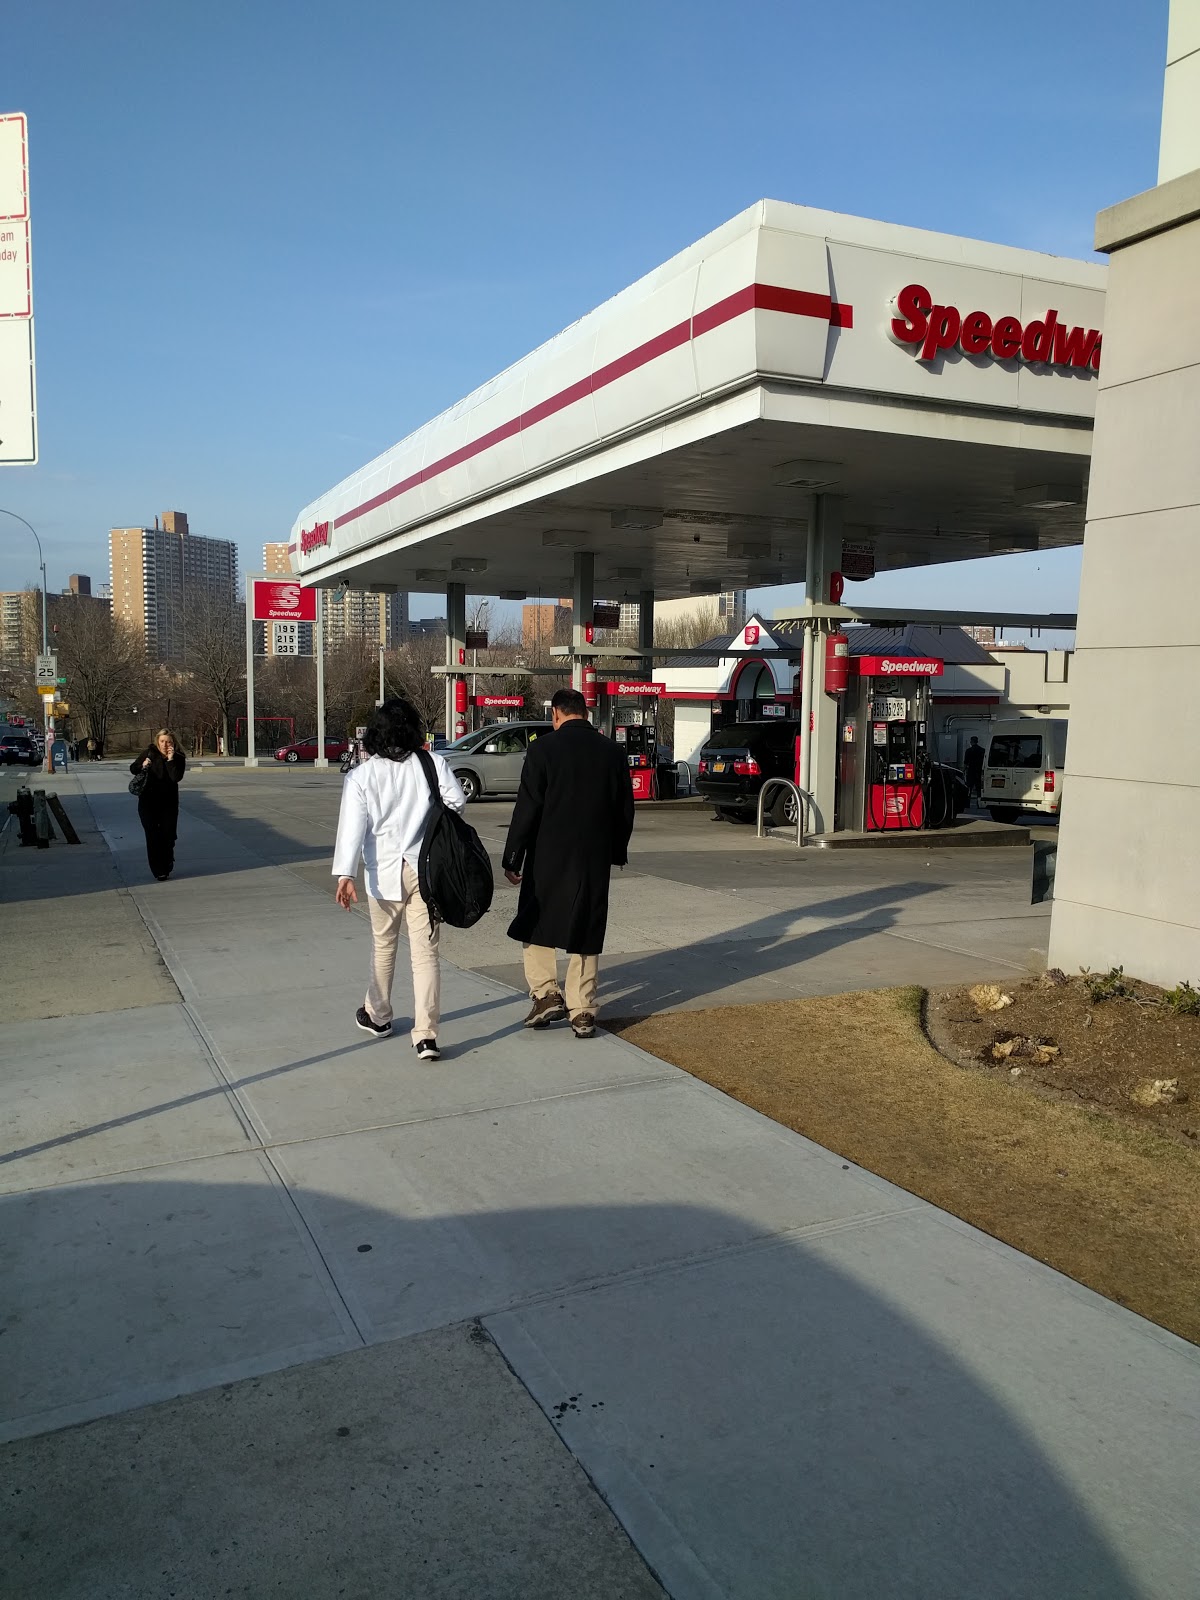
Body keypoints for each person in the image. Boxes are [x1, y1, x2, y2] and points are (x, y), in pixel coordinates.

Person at [332, 697, 466, 1061]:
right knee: (425, 954)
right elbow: (456, 803)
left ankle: (379, 1015)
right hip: (425, 870)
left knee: (384, 945)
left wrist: (346, 874)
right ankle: (426, 1036)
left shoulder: (362, 776)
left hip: (384, 874)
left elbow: (352, 830)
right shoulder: (432, 763)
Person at [501, 687, 635, 1039]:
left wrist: (514, 856)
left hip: (548, 852)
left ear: (556, 715)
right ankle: (583, 1010)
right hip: (593, 854)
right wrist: (616, 850)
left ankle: (546, 994)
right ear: (585, 714)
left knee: (536, 918)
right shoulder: (612, 752)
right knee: (587, 924)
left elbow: (527, 808)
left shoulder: (543, 749)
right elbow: (624, 809)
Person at [130, 728, 186, 880]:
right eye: (162, 741)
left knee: (168, 836)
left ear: (173, 743)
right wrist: (143, 765)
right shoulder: (149, 753)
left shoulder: (179, 757)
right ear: (157, 741)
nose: (165, 744)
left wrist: (170, 759)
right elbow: (133, 769)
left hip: (168, 804)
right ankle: (158, 870)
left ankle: (167, 860)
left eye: (168, 741)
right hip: (148, 802)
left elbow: (175, 777)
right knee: (153, 836)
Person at [963, 736, 985, 805]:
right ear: (977, 741)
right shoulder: (982, 750)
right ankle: (979, 803)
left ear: (971, 741)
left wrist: (963, 770)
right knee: (979, 789)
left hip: (971, 771)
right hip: (979, 771)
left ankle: (967, 802)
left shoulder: (968, 751)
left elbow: (966, 763)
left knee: (969, 787)